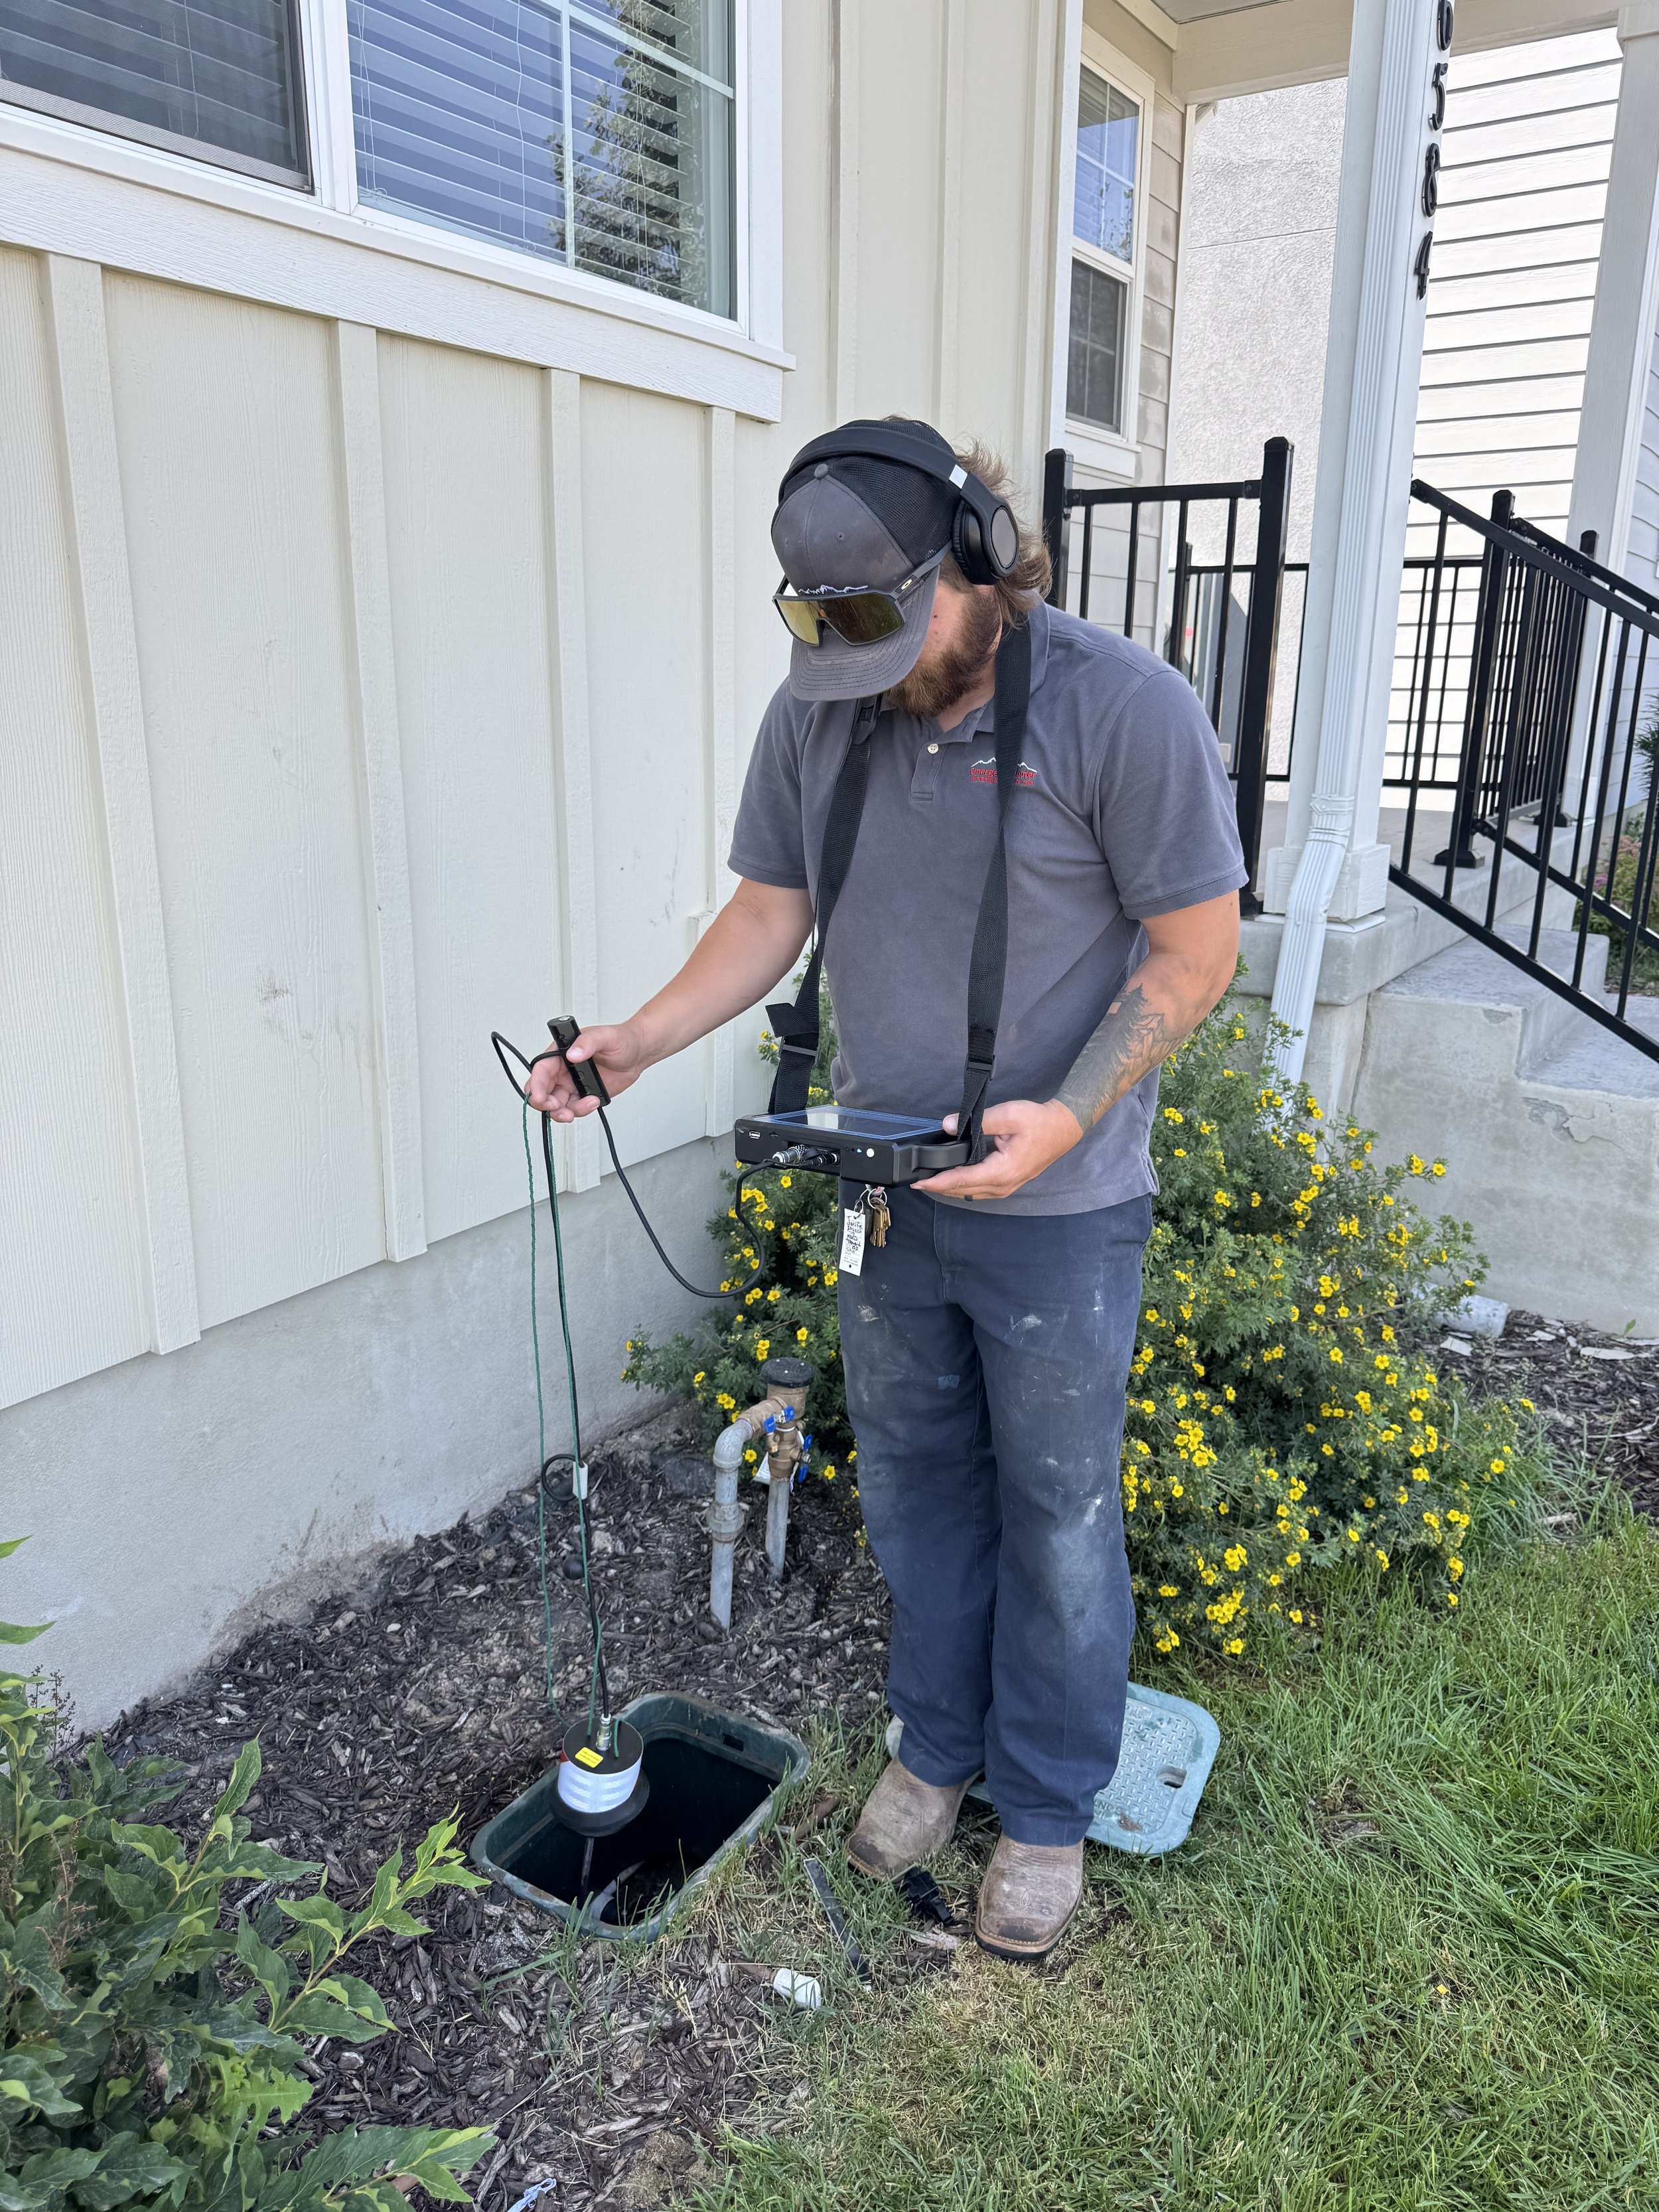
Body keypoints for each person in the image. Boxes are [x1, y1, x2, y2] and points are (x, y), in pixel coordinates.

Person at [529, 419, 1244, 1959]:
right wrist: (636, 1042)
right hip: (884, 1191)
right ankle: (936, 1748)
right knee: (915, 1488)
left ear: (979, 559)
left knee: (1056, 1513)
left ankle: (1045, 1809)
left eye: (893, 629)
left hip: (1059, 1205)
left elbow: (1195, 953)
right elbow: (768, 906)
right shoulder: (823, 710)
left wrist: (1059, 1117)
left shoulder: (1125, 710)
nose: (872, 674)